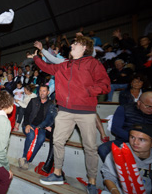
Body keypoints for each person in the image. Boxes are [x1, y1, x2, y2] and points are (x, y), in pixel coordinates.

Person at [31, 36, 110, 193]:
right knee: (58, 141)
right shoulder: (64, 65)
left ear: (84, 48)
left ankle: (92, 182)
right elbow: (47, 68)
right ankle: (57, 174)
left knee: (90, 148)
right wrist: (35, 57)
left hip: (86, 112)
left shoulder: (93, 63)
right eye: (73, 43)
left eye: (76, 43)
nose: (72, 45)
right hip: (65, 111)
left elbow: (105, 85)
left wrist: (88, 91)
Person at [98, 91, 152, 162]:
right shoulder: (124, 108)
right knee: (103, 149)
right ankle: (118, 170)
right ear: (139, 103)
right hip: (124, 140)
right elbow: (115, 129)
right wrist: (132, 139)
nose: (151, 109)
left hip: (148, 143)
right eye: (148, 106)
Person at [101, 124, 152, 194]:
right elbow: (108, 177)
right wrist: (115, 191)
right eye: (132, 137)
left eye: (142, 139)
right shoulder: (118, 153)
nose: (135, 142)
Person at [18, 85, 55, 170]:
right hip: (29, 124)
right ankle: (24, 157)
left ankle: (28, 160)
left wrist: (49, 126)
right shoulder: (33, 101)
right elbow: (26, 113)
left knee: (41, 139)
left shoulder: (51, 104)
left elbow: (52, 117)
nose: (42, 93)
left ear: (48, 92)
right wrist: (27, 124)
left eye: (44, 91)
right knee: (31, 135)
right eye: (41, 91)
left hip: (41, 127)